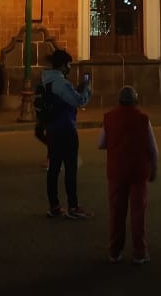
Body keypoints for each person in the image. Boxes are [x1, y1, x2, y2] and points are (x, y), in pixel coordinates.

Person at [97, 86, 159, 264]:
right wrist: (154, 168)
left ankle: (115, 252)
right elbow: (153, 148)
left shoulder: (109, 118)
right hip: (138, 173)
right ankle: (139, 252)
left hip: (116, 172)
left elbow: (100, 143)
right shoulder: (143, 119)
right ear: (135, 100)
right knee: (138, 213)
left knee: (116, 212)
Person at [41, 49, 92, 219]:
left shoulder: (46, 80)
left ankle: (54, 206)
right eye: (69, 64)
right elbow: (78, 101)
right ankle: (73, 207)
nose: (70, 67)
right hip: (66, 130)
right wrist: (86, 90)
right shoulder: (61, 83)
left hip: (53, 129)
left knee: (53, 169)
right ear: (63, 65)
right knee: (70, 169)